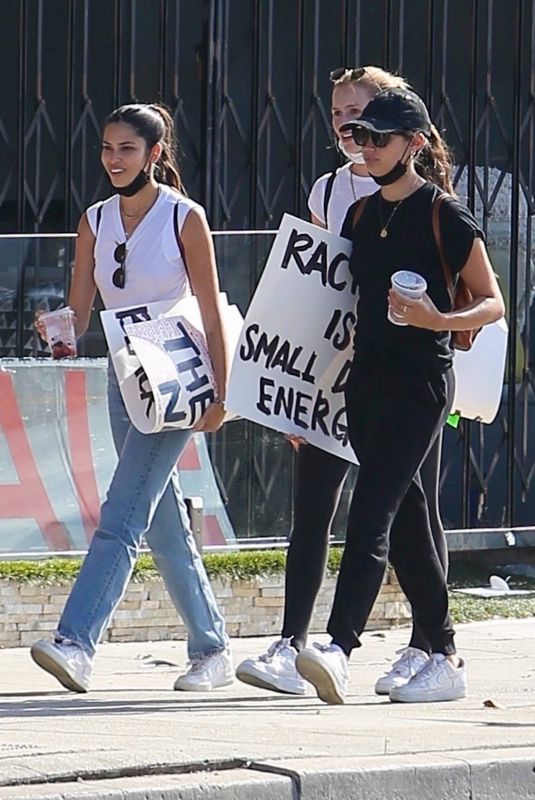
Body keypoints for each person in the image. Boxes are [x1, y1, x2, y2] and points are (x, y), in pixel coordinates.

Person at [237, 67, 449, 697]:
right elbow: (312, 293)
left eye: (359, 114)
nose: (349, 128)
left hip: (409, 375)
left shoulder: (427, 199)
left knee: (406, 510)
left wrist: (438, 323)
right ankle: (293, 642)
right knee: (316, 509)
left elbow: (469, 290)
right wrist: (294, 390)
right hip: (340, 372)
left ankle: (423, 644)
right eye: (339, 115)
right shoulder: (332, 194)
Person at [293, 87, 504, 704]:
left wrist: (435, 317)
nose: (366, 147)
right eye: (359, 137)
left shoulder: (444, 215)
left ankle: (338, 644)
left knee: (372, 513)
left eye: (378, 138)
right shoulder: (358, 218)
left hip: (421, 384)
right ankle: (443, 651)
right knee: (409, 523)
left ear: (412, 144)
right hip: (366, 383)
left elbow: (493, 301)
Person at [31, 103, 234, 693]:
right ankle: (212, 647)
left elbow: (213, 312)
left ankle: (76, 641)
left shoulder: (183, 217)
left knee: (121, 516)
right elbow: (81, 310)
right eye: (106, 148)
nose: (113, 159)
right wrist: (59, 328)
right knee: (162, 521)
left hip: (175, 371)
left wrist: (222, 392)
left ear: (154, 154)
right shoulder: (95, 219)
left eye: (126, 148)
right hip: (126, 373)